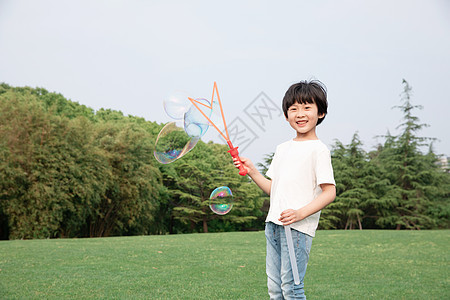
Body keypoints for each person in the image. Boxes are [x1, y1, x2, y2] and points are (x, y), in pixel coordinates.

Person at [234, 80, 336, 299]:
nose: (300, 113)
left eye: (307, 107)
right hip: (273, 225)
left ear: (321, 113)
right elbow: (276, 190)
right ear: (286, 115)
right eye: (294, 109)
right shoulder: (282, 149)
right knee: (275, 288)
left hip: (297, 229)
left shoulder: (319, 150)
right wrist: (252, 171)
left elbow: (330, 192)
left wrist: (300, 213)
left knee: (291, 287)